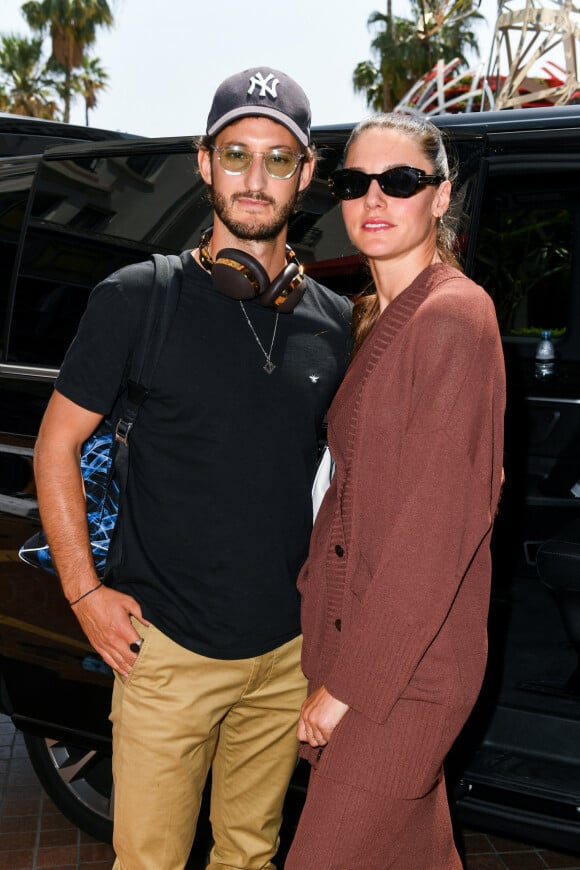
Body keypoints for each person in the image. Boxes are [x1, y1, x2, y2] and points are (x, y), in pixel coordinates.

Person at [33, 67, 351, 870]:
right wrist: (83, 590)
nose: (254, 177)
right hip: (167, 651)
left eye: (278, 159)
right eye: (235, 154)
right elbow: (56, 445)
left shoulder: (335, 325)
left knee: (248, 856)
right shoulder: (137, 298)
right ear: (204, 163)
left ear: (306, 174)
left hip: (285, 657)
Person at [284, 112, 506, 869]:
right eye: (355, 182)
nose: (374, 198)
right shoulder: (378, 318)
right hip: (362, 649)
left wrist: (348, 688)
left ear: (441, 198)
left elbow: (436, 529)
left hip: (400, 675)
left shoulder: (453, 315)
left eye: (401, 181)